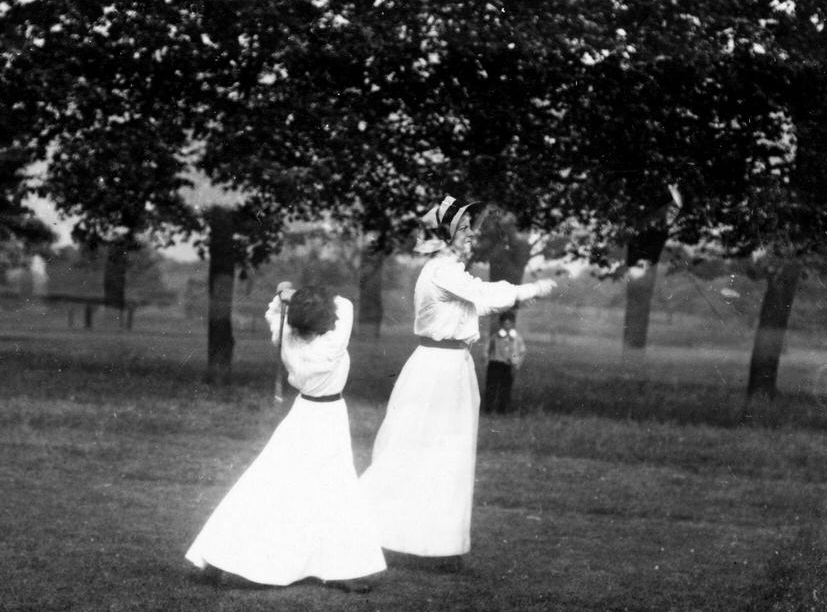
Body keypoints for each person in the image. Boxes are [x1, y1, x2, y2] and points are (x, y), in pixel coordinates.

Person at [360, 195, 558, 564]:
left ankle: (437, 545)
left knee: (448, 454)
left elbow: (475, 304)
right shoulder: (443, 271)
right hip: (437, 369)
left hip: (451, 368)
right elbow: (484, 294)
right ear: (446, 235)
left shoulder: (449, 271)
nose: (472, 235)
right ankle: (368, 530)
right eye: (465, 229)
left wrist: (518, 298)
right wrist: (526, 290)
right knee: (416, 450)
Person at [186, 283, 386, 591]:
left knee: (267, 484)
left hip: (302, 415)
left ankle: (217, 558)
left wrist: (285, 298)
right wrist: (298, 296)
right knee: (336, 490)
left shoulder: (288, 339)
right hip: (327, 418)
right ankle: (341, 569)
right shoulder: (330, 345)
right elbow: (345, 305)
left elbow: (273, 313)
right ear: (324, 322)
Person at [482, 310, 526, 415]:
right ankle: (489, 410)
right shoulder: (495, 336)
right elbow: (487, 348)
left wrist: (516, 363)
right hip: (495, 363)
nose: (507, 326)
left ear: (512, 324)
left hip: (508, 365)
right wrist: (486, 358)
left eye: (509, 323)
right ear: (501, 324)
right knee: (492, 387)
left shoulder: (516, 338)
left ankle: (502, 410)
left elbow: (519, 352)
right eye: (504, 323)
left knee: (505, 388)